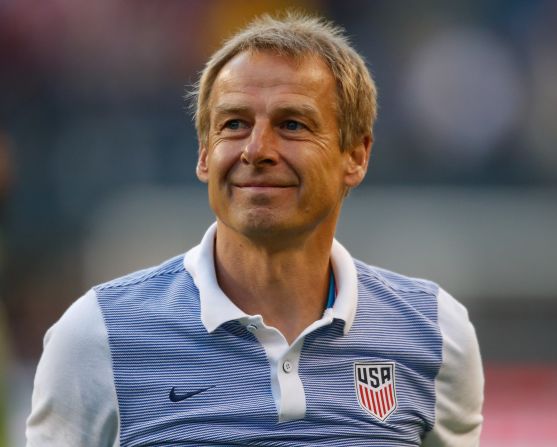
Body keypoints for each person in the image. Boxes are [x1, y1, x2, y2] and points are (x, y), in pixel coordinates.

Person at [26, 12, 484, 447]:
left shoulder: (437, 333)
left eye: (291, 124)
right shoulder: (97, 335)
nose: (257, 149)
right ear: (205, 154)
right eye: (235, 124)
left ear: (357, 156)